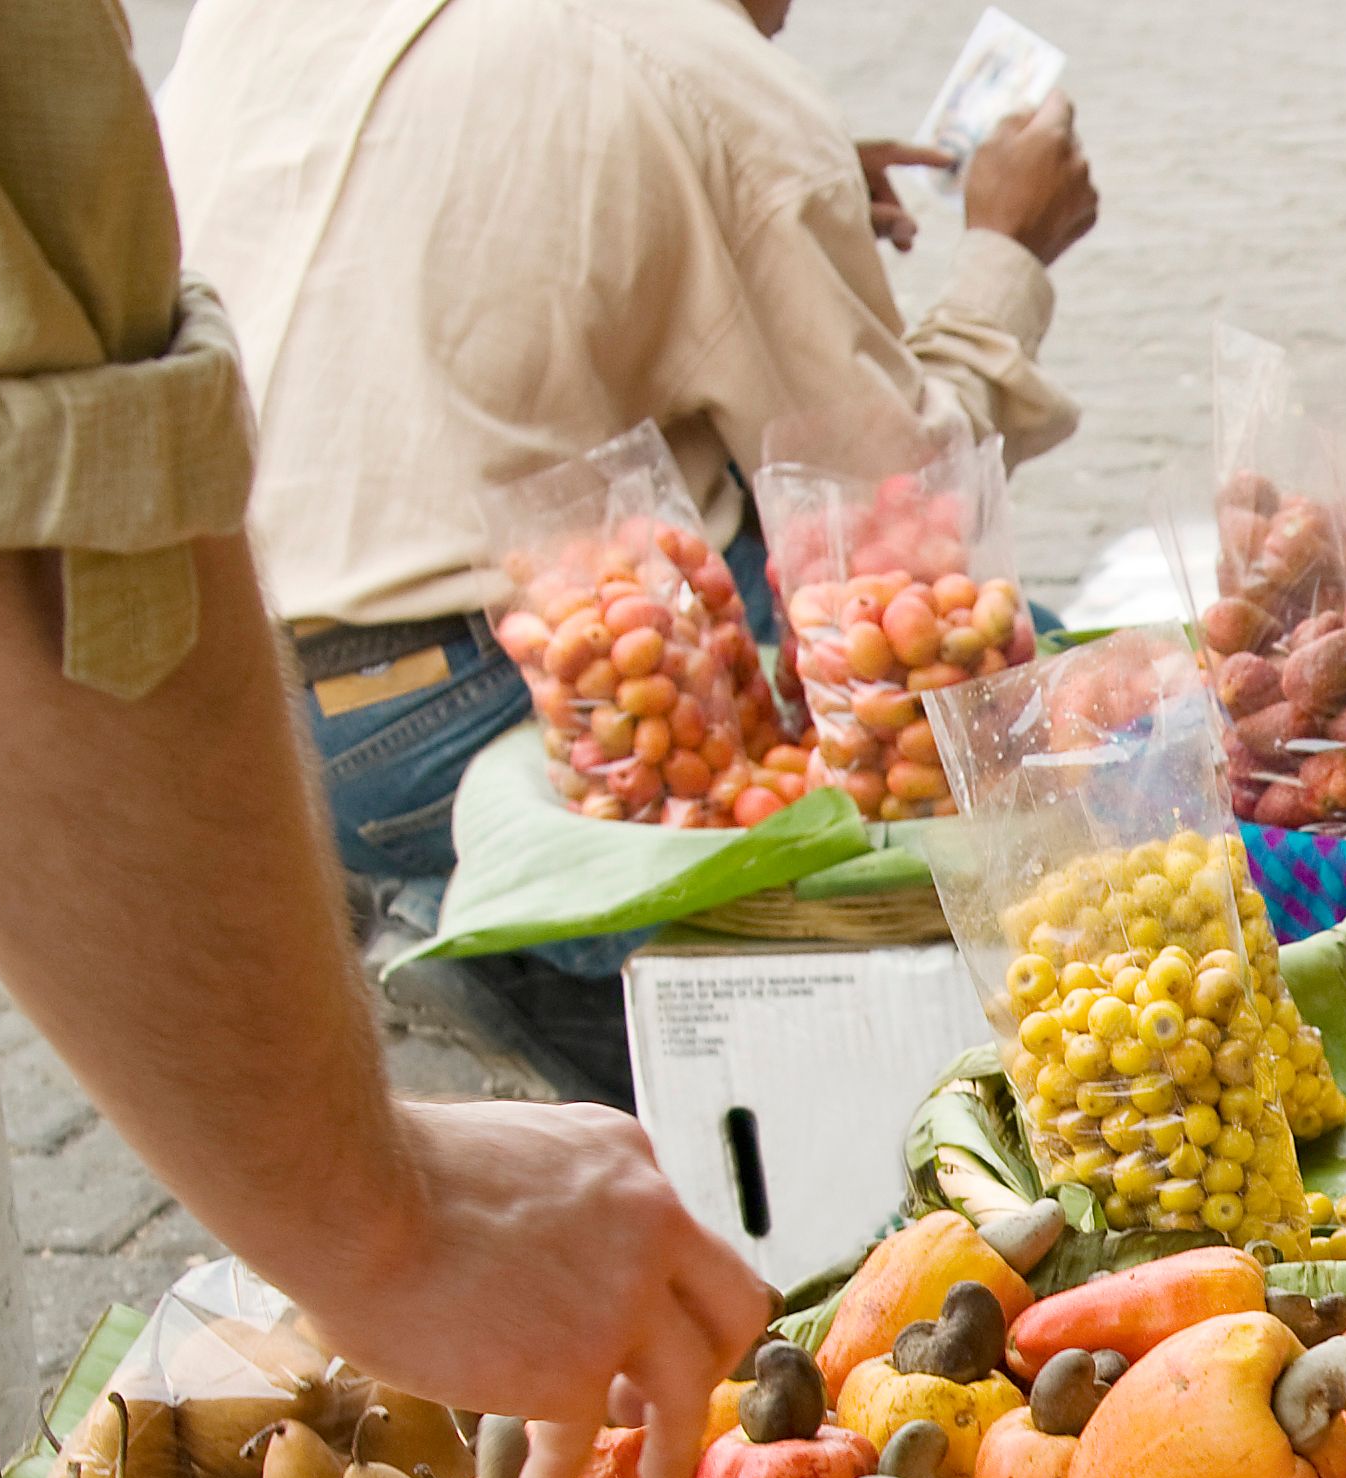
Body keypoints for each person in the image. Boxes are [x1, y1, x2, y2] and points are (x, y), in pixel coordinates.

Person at [0, 2, 760, 1478]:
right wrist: (376, 1216)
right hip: (432, 715)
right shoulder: (706, 79)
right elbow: (6, 528)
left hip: (305, 693)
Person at [156, 0, 1103, 1093]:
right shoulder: (703, 77)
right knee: (988, 675)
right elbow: (899, 503)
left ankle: (451, 910)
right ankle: (600, 972)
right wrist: (1004, 256)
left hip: (244, 700)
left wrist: (764, 191)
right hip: (469, 708)